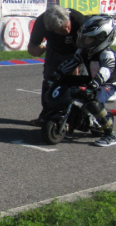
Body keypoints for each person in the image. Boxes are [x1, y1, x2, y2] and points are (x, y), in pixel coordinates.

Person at [49, 15, 116, 147]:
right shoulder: (83, 51)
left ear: (102, 38)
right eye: (84, 37)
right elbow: (72, 62)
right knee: (64, 81)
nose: (85, 40)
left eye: (89, 38)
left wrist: (94, 85)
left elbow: (106, 72)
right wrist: (57, 75)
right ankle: (64, 113)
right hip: (92, 79)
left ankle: (110, 134)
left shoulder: (107, 54)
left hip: (108, 84)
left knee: (93, 102)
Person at [27, 5, 86, 126]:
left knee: (78, 84)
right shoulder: (41, 23)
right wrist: (35, 50)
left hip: (78, 51)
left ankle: (77, 117)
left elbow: (87, 46)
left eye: (68, 26)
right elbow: (32, 46)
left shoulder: (78, 20)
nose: (67, 31)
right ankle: (47, 115)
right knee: (50, 81)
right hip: (55, 51)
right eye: (62, 30)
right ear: (51, 29)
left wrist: (76, 63)